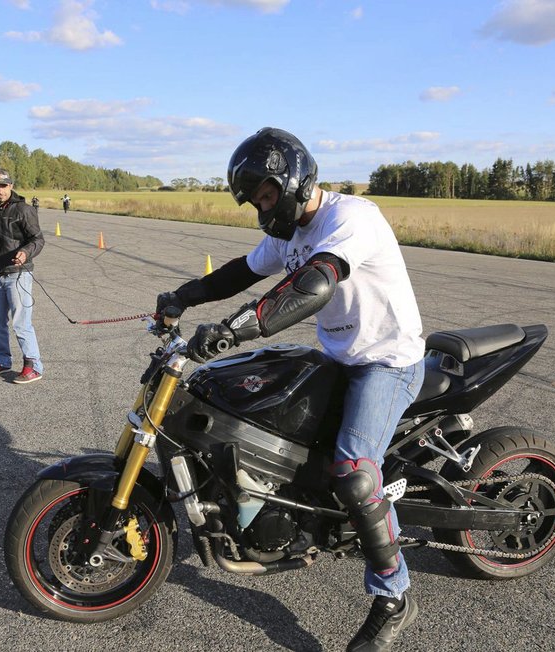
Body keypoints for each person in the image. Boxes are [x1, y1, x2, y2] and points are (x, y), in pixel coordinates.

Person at [156, 128, 425, 651]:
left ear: (294, 179)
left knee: (353, 476)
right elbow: (241, 271)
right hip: (336, 358)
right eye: (254, 199)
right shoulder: (289, 232)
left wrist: (236, 329)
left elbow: (315, 283)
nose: (262, 206)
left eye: (266, 194)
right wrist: (183, 296)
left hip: (385, 362)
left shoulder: (352, 218)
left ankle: (395, 595)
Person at [0, 168, 45, 384]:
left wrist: (25, 252)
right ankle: (2, 359)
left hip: (19, 274)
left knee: (21, 322)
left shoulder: (23, 210)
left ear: (11, 186)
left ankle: (34, 365)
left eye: (3, 186)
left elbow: (37, 239)